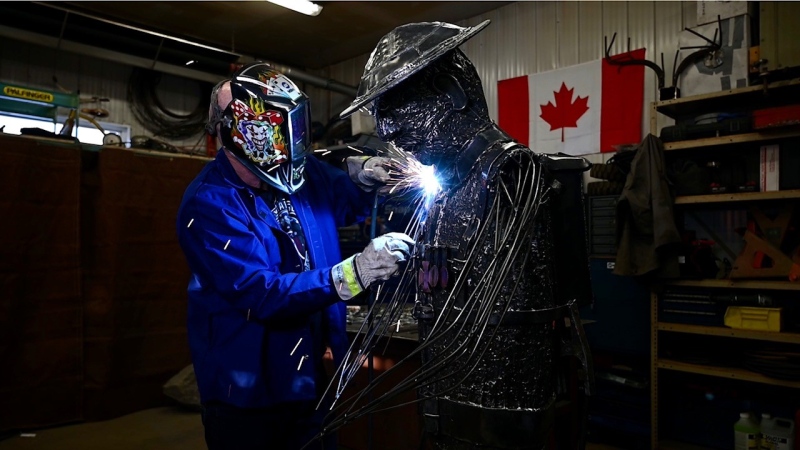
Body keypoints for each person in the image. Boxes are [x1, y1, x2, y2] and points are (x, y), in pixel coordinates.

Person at [338, 21, 594, 449]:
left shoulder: (511, 173)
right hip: (446, 396)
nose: (388, 132)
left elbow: (512, 314)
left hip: (503, 407)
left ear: (452, 92)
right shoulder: (450, 183)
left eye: (397, 110)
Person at [176, 62, 413, 450]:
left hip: (310, 376)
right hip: (248, 389)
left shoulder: (295, 171)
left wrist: (364, 176)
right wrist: (355, 272)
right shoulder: (209, 205)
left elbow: (338, 197)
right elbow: (262, 295)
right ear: (247, 134)